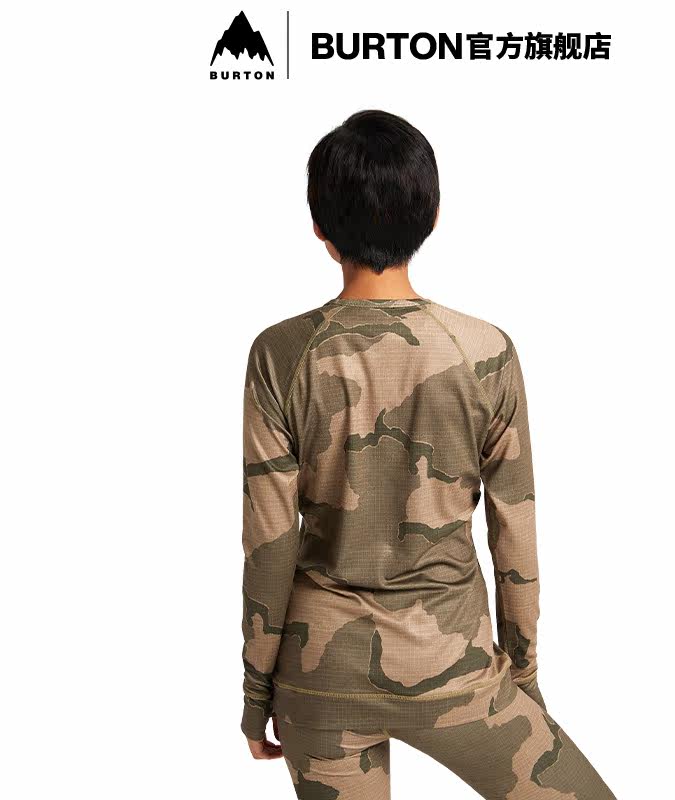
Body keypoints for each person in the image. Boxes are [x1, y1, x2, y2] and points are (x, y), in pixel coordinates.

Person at [240, 109, 616, 799]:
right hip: (454, 666)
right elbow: (515, 531)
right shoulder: (484, 351)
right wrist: (524, 678)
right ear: (433, 215)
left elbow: (267, 541)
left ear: (319, 226)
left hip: (320, 674)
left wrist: (257, 691)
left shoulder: (281, 354)